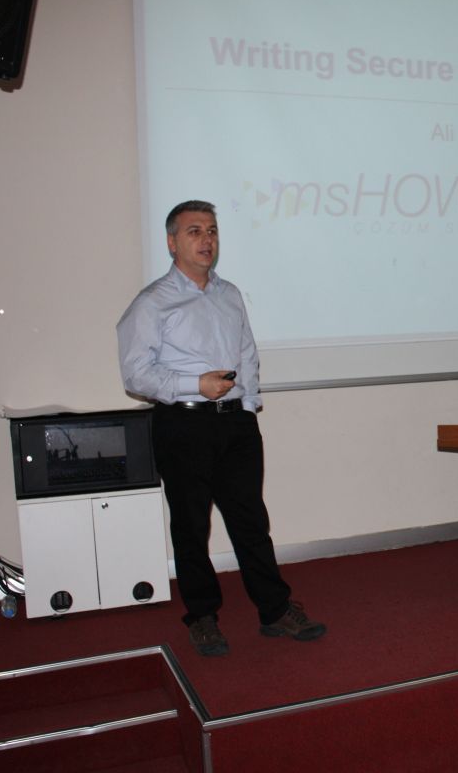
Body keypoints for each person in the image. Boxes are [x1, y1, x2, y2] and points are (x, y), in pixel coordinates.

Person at [116, 199, 325, 656]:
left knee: (251, 521)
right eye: (194, 231)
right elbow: (136, 374)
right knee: (192, 526)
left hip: (235, 426)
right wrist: (196, 384)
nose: (206, 239)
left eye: (211, 231)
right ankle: (203, 617)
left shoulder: (229, 294)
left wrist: (247, 406)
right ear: (172, 242)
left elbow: (247, 352)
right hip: (182, 423)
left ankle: (275, 610)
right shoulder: (152, 302)